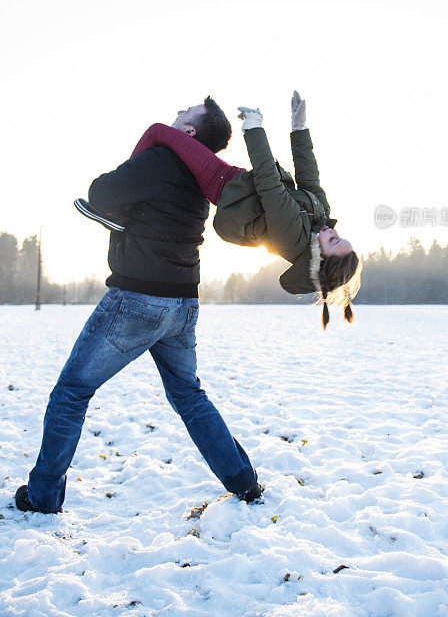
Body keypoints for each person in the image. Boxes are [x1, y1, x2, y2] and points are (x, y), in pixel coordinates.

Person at [15, 96, 264, 515]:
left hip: (136, 303)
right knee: (189, 395)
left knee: (71, 393)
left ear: (189, 133)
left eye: (187, 112)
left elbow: (100, 192)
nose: (180, 110)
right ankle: (245, 483)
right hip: (183, 305)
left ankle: (41, 498)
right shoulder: (199, 180)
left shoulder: (163, 160)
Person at [127, 91, 361, 329]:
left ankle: (119, 192)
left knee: (158, 131)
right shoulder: (319, 219)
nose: (333, 232)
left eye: (333, 241)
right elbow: (309, 176)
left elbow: (270, 184)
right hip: (237, 182)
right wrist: (299, 127)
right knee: (175, 145)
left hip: (223, 187)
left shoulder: (293, 240)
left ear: (319, 258)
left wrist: (254, 128)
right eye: (339, 237)